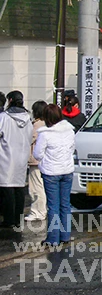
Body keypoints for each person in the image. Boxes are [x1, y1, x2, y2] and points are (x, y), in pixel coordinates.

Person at [33, 104, 75, 245]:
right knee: (65, 205)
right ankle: (65, 236)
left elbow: (37, 154)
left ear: (46, 118)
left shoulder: (45, 134)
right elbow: (72, 149)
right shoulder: (70, 131)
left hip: (51, 172)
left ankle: (53, 239)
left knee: (53, 206)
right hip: (67, 171)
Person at [0, 91, 33, 228]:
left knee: (7, 188)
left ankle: (8, 219)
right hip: (22, 156)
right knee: (19, 188)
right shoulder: (28, 118)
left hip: (5, 156)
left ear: (10, 100)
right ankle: (18, 219)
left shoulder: (4, 117)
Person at [26, 101, 47, 222]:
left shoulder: (37, 125)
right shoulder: (47, 124)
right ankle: (42, 210)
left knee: (35, 187)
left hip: (35, 160)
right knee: (41, 186)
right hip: (45, 161)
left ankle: (37, 212)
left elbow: (29, 139)